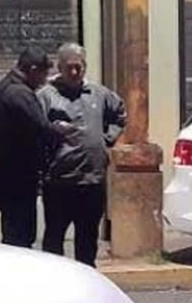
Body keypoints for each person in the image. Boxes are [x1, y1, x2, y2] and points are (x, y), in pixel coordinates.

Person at [37, 44, 127, 266]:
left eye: (79, 67)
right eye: (69, 68)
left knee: (87, 239)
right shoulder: (47, 96)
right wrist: (53, 134)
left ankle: (87, 277)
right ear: (59, 67)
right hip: (60, 182)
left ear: (85, 66)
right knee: (54, 238)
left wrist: (107, 138)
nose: (75, 72)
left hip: (92, 181)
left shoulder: (99, 93)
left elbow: (120, 114)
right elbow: (35, 129)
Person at [0, 46, 71, 247]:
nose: (44, 80)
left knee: (11, 228)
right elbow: (40, 127)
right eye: (42, 74)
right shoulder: (20, 93)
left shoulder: (0, 89)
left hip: (3, 172)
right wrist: (60, 131)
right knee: (22, 234)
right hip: (19, 175)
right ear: (32, 70)